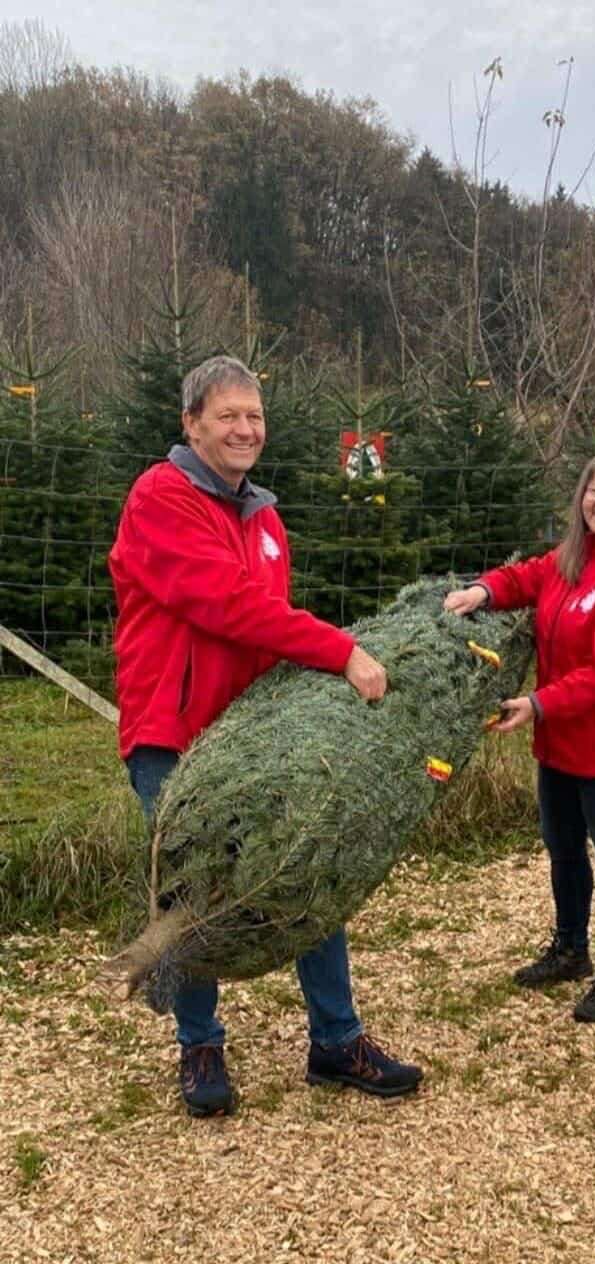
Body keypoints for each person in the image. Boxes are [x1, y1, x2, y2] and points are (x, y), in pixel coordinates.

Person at [109, 355, 422, 1115]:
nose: (245, 429)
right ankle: (200, 1046)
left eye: (254, 416)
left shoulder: (265, 517)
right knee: (193, 894)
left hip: (258, 742)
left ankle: (335, 1040)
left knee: (309, 871)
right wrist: (341, 651)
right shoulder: (163, 498)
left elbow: (268, 631)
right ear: (191, 424)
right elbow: (229, 605)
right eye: (228, 416)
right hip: (176, 737)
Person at [444, 449, 595, 1023]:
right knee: (563, 848)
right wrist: (484, 591)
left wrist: (538, 703)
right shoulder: (574, 558)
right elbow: (526, 577)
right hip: (560, 743)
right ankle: (570, 947)